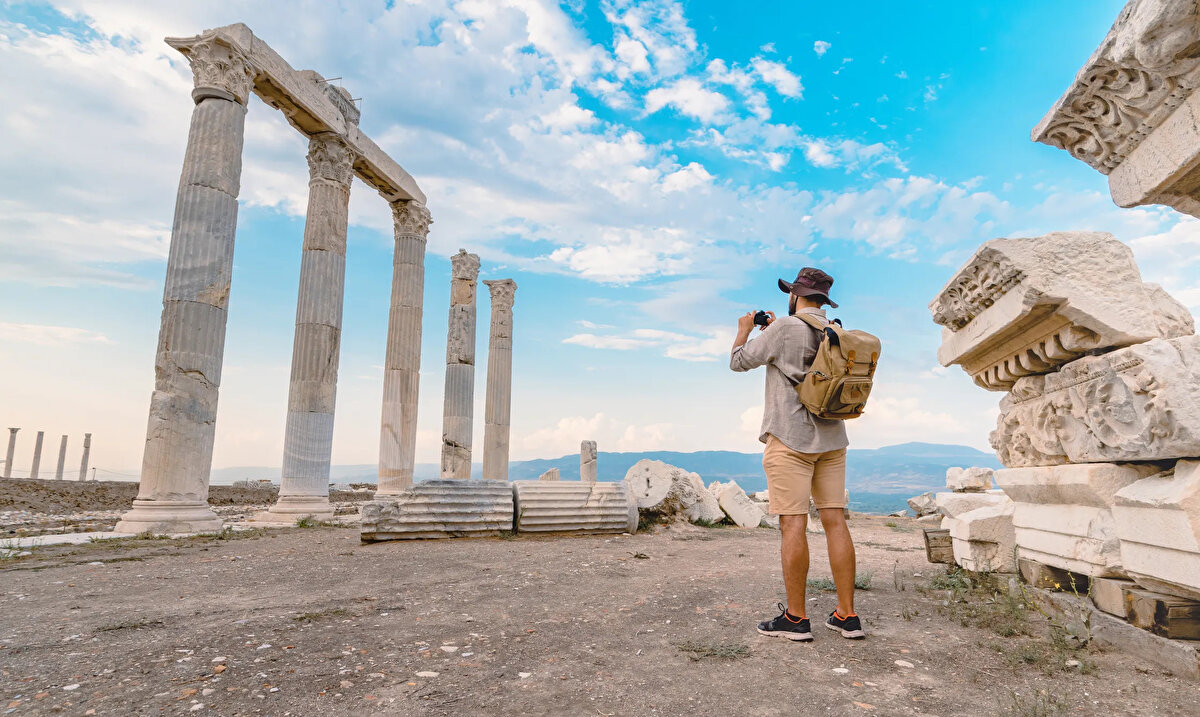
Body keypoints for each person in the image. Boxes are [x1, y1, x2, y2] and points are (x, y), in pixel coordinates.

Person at [729, 267, 865, 642]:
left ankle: (795, 619)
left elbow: (739, 361)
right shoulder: (836, 329)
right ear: (824, 300)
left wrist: (745, 329)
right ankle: (847, 616)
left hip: (790, 440)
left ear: (795, 294)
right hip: (833, 442)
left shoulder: (785, 327)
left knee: (793, 525)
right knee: (836, 522)